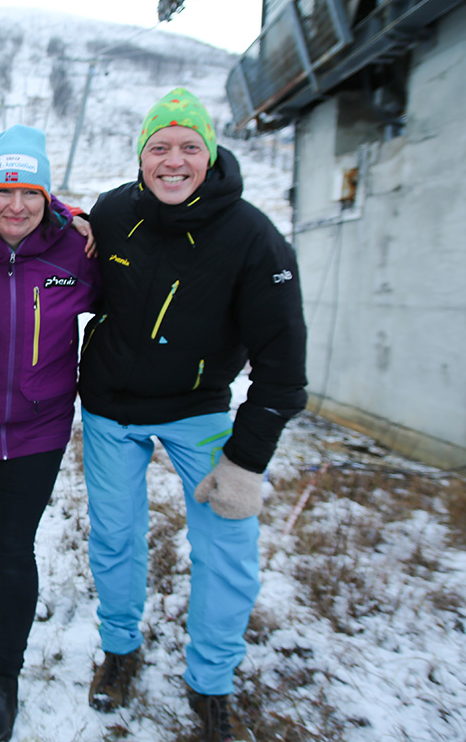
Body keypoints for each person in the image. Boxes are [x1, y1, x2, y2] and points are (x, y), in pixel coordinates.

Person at [77, 88, 307, 741]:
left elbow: (283, 370)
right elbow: (62, 239)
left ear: (209, 153)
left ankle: (211, 681)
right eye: (159, 147)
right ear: (141, 156)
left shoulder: (254, 239)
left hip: (199, 409)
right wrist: (71, 221)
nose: (172, 160)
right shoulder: (115, 211)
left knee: (227, 545)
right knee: (115, 535)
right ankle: (120, 649)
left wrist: (246, 461)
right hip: (112, 408)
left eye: (188, 146)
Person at [0, 126, 99, 742]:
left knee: (11, 544)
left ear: (47, 198)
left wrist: (77, 215)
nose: (15, 204)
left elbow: (125, 303)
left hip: (40, 426)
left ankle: (7, 676)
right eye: (1, 190)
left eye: (30, 192)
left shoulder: (75, 251)